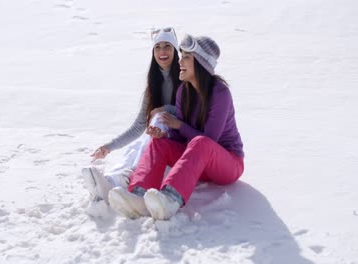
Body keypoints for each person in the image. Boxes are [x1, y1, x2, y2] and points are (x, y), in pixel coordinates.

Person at [108, 34, 245, 220]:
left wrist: (179, 125)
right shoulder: (184, 91)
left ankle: (170, 200)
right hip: (198, 163)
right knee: (159, 144)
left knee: (201, 142)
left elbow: (209, 140)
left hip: (228, 164)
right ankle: (138, 195)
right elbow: (181, 138)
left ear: (201, 63)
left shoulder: (220, 93)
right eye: (181, 56)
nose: (180, 61)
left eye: (186, 57)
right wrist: (164, 134)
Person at [82, 27, 181, 203]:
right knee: (136, 147)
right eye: (157, 47)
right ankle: (110, 182)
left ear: (175, 50)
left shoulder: (185, 80)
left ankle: (129, 182)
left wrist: (164, 110)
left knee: (157, 121)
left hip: (177, 144)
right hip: (156, 141)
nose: (162, 51)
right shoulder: (152, 86)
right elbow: (138, 127)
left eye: (167, 46)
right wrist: (109, 147)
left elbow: (191, 112)